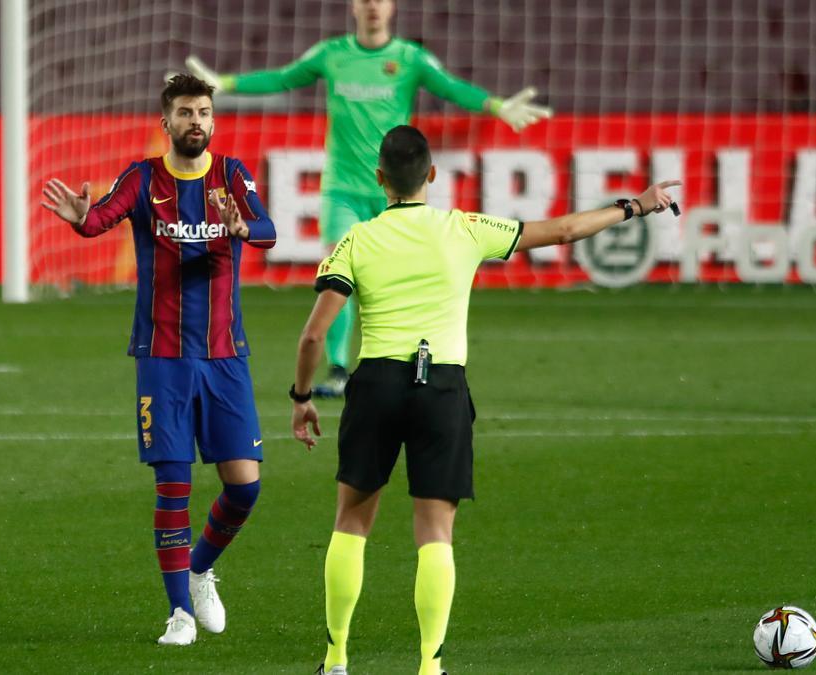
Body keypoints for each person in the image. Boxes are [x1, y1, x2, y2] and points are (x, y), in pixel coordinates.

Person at [289, 125, 680, 675]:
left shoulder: (355, 240)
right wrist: (635, 205)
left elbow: (313, 335)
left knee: (351, 521)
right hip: (441, 386)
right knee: (435, 530)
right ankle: (429, 666)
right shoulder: (465, 228)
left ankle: (335, 661)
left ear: (379, 179)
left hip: (375, 384)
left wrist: (302, 397)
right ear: (431, 175)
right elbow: (565, 230)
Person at [181, 0, 552, 398]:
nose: (373, 6)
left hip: (396, 191)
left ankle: (407, 361)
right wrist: (227, 85)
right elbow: (283, 78)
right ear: (353, 6)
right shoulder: (332, 54)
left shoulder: (410, 58)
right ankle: (339, 370)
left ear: (392, 7)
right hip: (342, 190)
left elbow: (452, 88)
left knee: (405, 278)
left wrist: (497, 106)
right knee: (339, 278)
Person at [40, 74, 276, 647]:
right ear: (164, 123)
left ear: (213, 121)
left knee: (244, 488)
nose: (195, 121)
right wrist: (78, 215)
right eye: (184, 113)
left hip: (225, 355)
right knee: (173, 487)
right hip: (162, 358)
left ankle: (199, 569)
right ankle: (179, 615)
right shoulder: (145, 177)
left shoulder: (233, 175)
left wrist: (245, 226)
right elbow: (100, 220)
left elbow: (265, 230)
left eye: (203, 112)